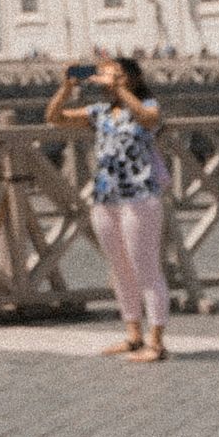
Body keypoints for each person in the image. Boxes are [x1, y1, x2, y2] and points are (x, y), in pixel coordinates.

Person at [47, 56, 171, 363]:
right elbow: (55, 118)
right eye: (102, 73)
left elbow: (147, 118)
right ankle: (133, 335)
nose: (101, 76)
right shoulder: (100, 112)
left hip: (140, 196)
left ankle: (156, 343)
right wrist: (66, 87)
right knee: (121, 269)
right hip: (106, 198)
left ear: (129, 77)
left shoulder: (148, 105)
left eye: (110, 72)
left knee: (147, 270)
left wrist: (121, 90)